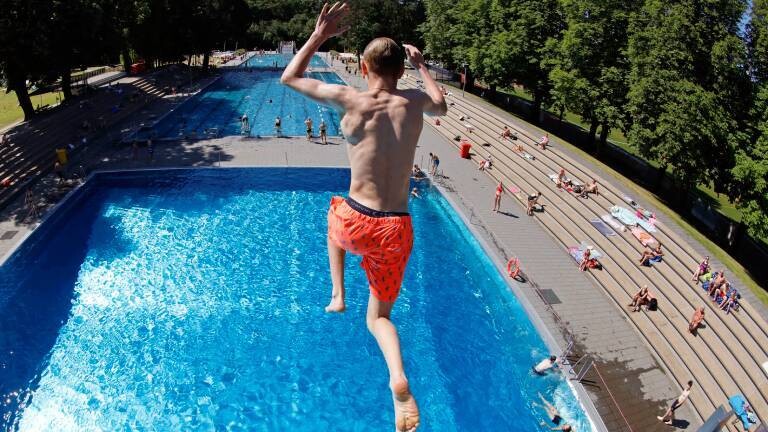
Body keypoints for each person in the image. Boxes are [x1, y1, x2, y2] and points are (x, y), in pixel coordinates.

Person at [281, 4, 446, 430]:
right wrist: (422, 66)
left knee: (334, 217)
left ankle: (337, 294)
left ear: (363, 67)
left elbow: (290, 78)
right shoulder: (413, 102)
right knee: (379, 318)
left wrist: (319, 36)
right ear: (400, 71)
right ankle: (398, 378)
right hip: (396, 227)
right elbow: (441, 106)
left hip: (355, 220)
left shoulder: (349, 98)